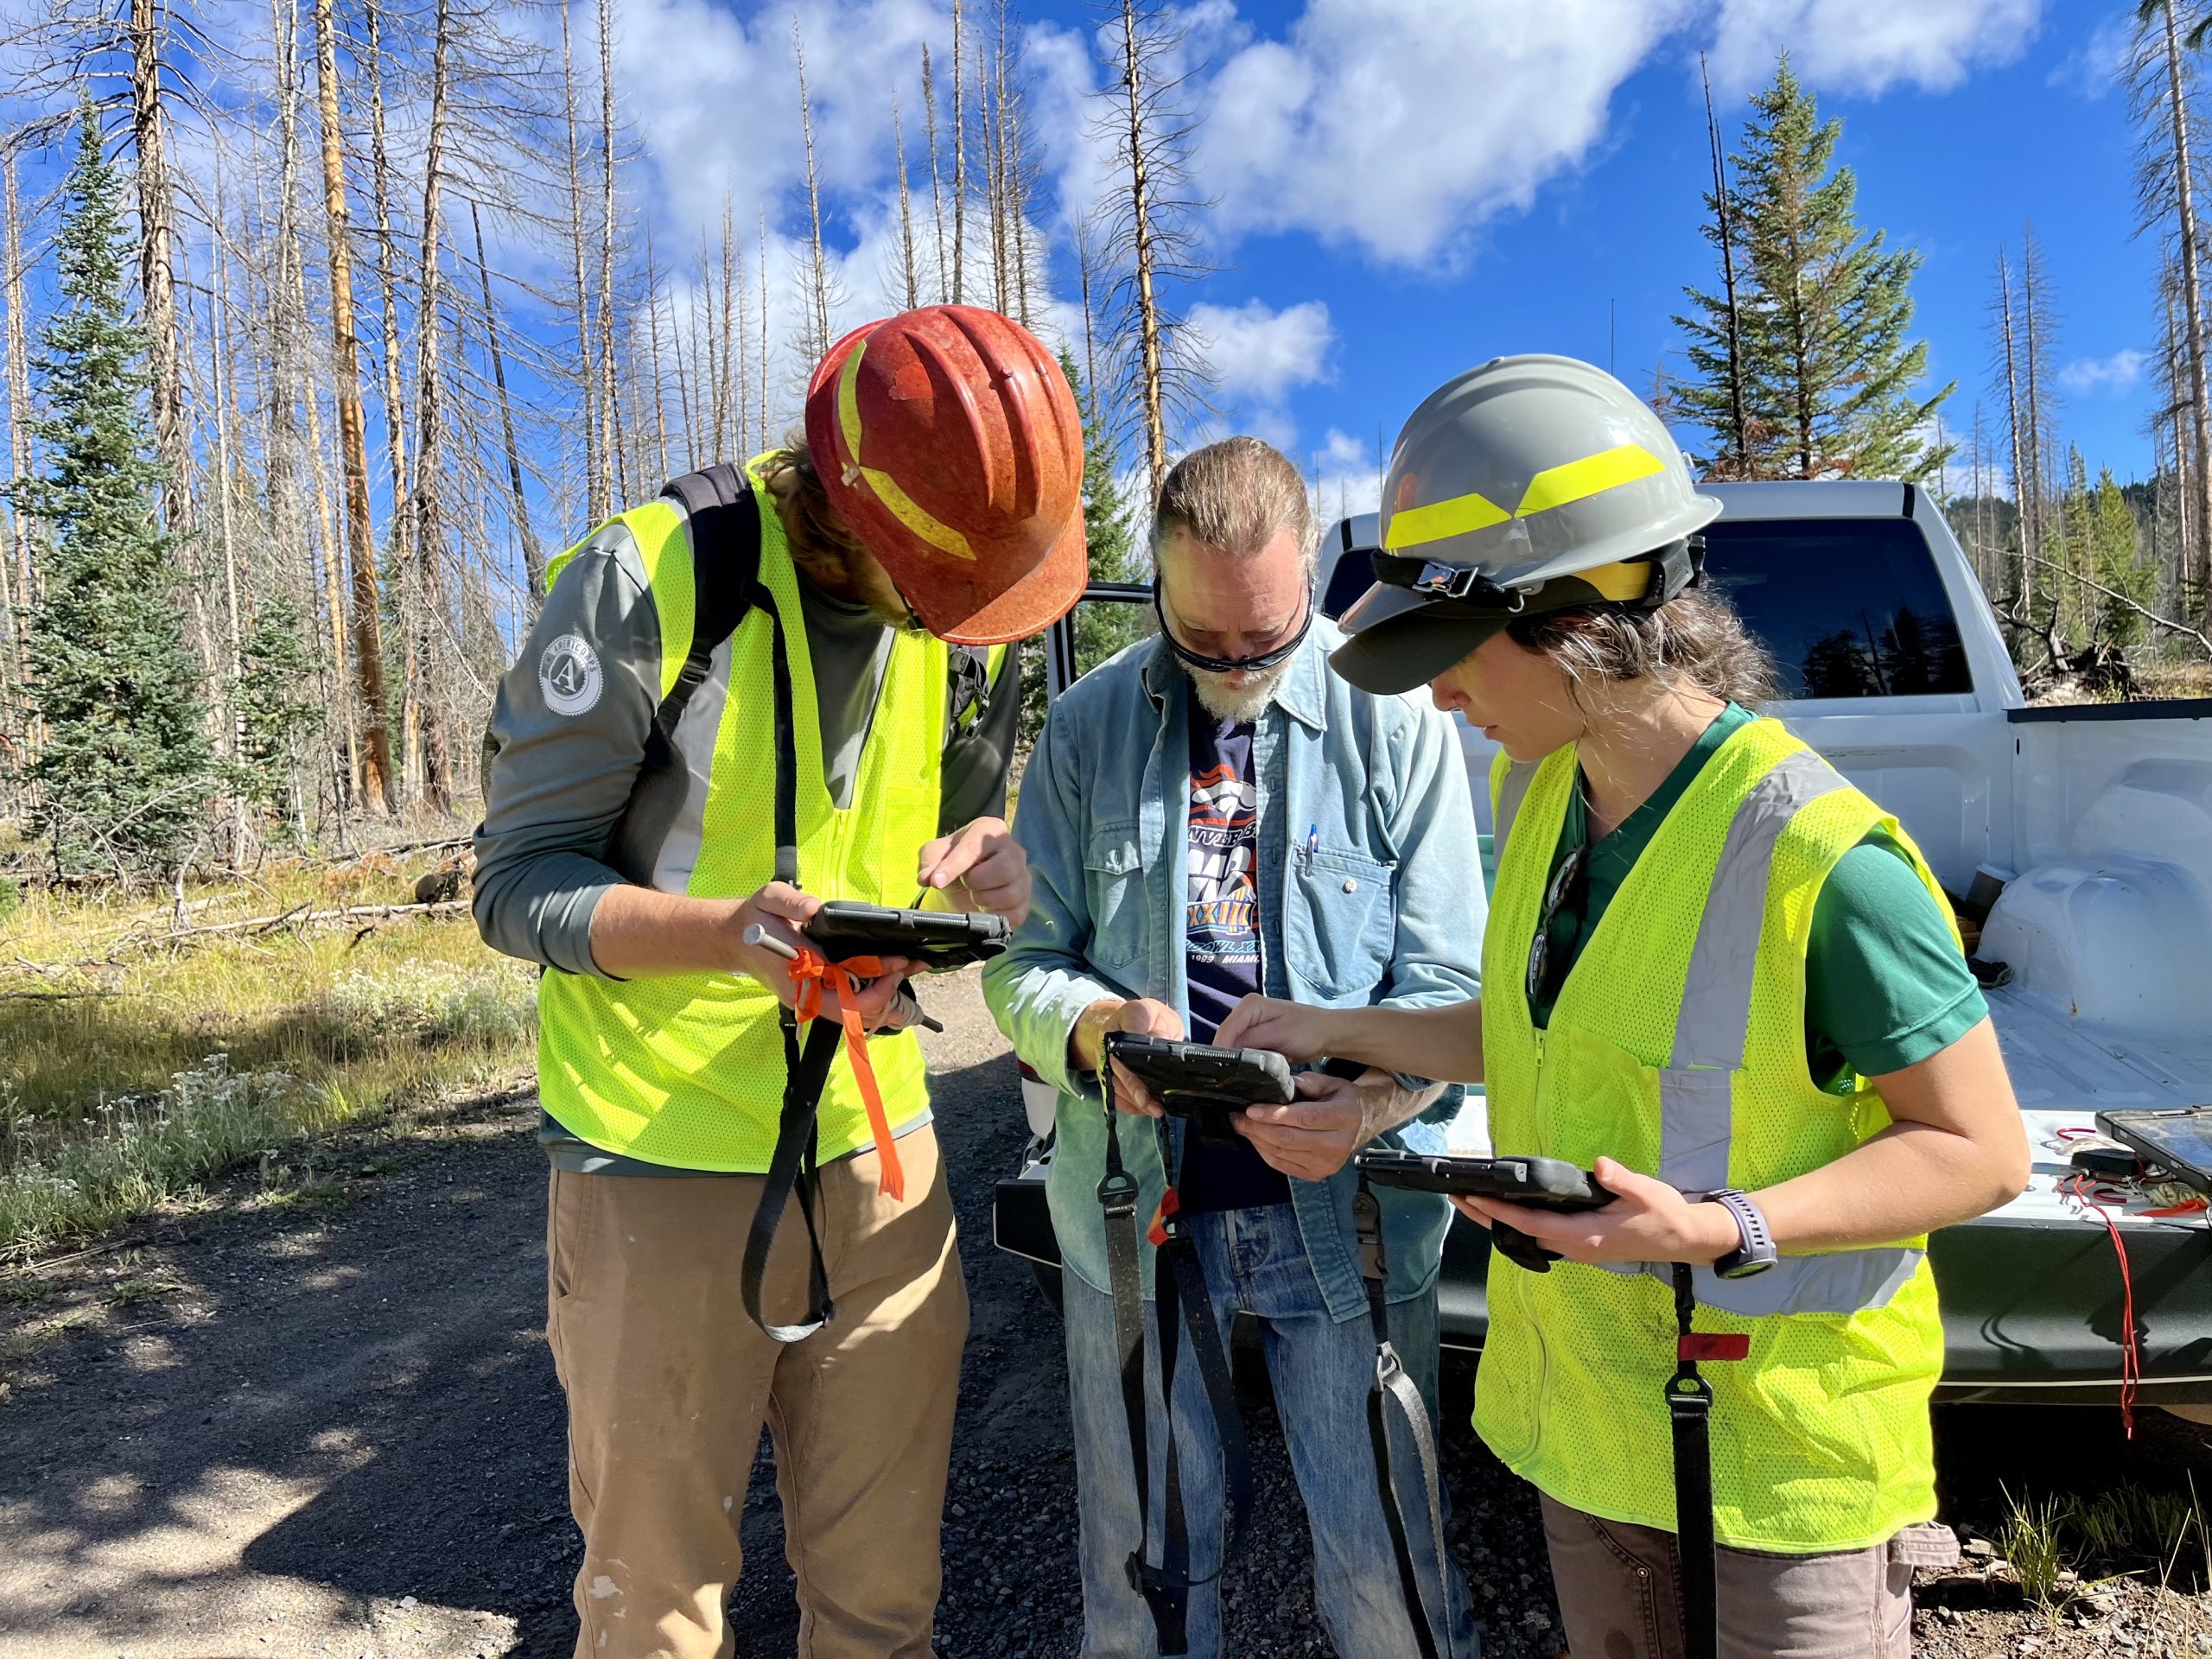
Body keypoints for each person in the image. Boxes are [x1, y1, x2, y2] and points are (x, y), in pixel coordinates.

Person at [1217, 355, 2031, 1659]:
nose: (1437, 695)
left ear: (1578, 622)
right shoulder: (1543, 790)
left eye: (1456, 652)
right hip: (1591, 1438)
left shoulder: (1827, 861)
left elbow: (1982, 1149)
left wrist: (1716, 1227)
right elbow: (1539, 1028)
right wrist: (1333, 1028)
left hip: (1777, 1477)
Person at [473, 304, 1086, 1659]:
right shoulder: (646, 583)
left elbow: (936, 830)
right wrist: (724, 934)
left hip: (879, 1138)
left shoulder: (957, 602)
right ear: (849, 512)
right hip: (660, 1154)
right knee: (658, 1608)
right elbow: (514, 889)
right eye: (940, 587)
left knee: (884, 1604)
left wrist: (991, 860)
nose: (960, 620)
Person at [983, 436, 1485, 1659]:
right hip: (1136, 1216)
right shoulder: (1091, 724)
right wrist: (1099, 1032)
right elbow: (1019, 964)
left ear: (1306, 569)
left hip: (1350, 1216)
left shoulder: (1397, 721)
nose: (1237, 666)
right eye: (1201, 641)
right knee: (1147, 1570)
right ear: (1155, 583)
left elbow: (1452, 989)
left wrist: (1365, 1108)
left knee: (1388, 1575)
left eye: (1266, 639)